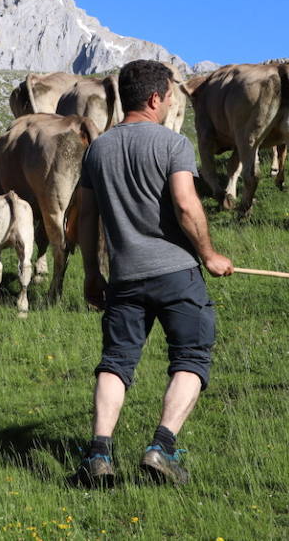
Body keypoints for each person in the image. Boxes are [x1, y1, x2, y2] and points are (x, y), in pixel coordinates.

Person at [73, 59, 234, 487]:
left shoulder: (98, 150)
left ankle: (99, 453)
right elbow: (185, 204)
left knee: (117, 362)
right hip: (177, 272)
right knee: (191, 357)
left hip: (124, 277)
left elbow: (86, 216)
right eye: (167, 97)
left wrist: (92, 272)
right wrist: (210, 254)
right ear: (154, 98)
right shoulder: (172, 144)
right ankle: (161, 447)